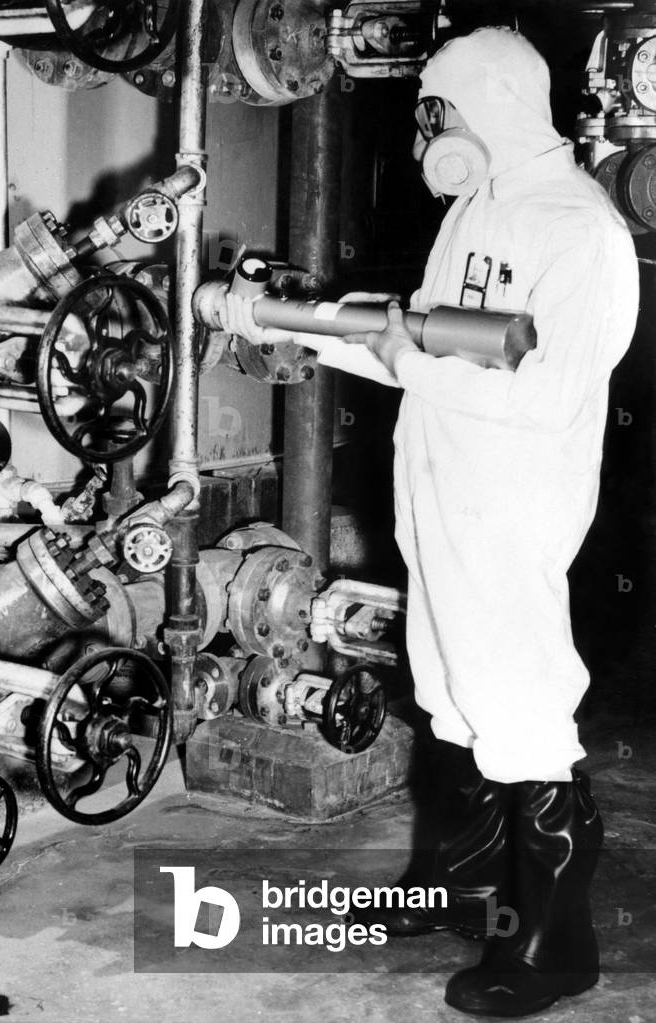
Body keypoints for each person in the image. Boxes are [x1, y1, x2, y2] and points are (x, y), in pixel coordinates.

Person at [220, 26, 640, 1018]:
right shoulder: (474, 212)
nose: (427, 132)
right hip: (439, 496)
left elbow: (538, 393)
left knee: (521, 710)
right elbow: (412, 338)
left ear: (490, 105)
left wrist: (396, 350)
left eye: (438, 110)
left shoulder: (579, 229)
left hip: (511, 507)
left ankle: (555, 946)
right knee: (450, 695)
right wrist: (295, 327)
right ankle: (465, 893)